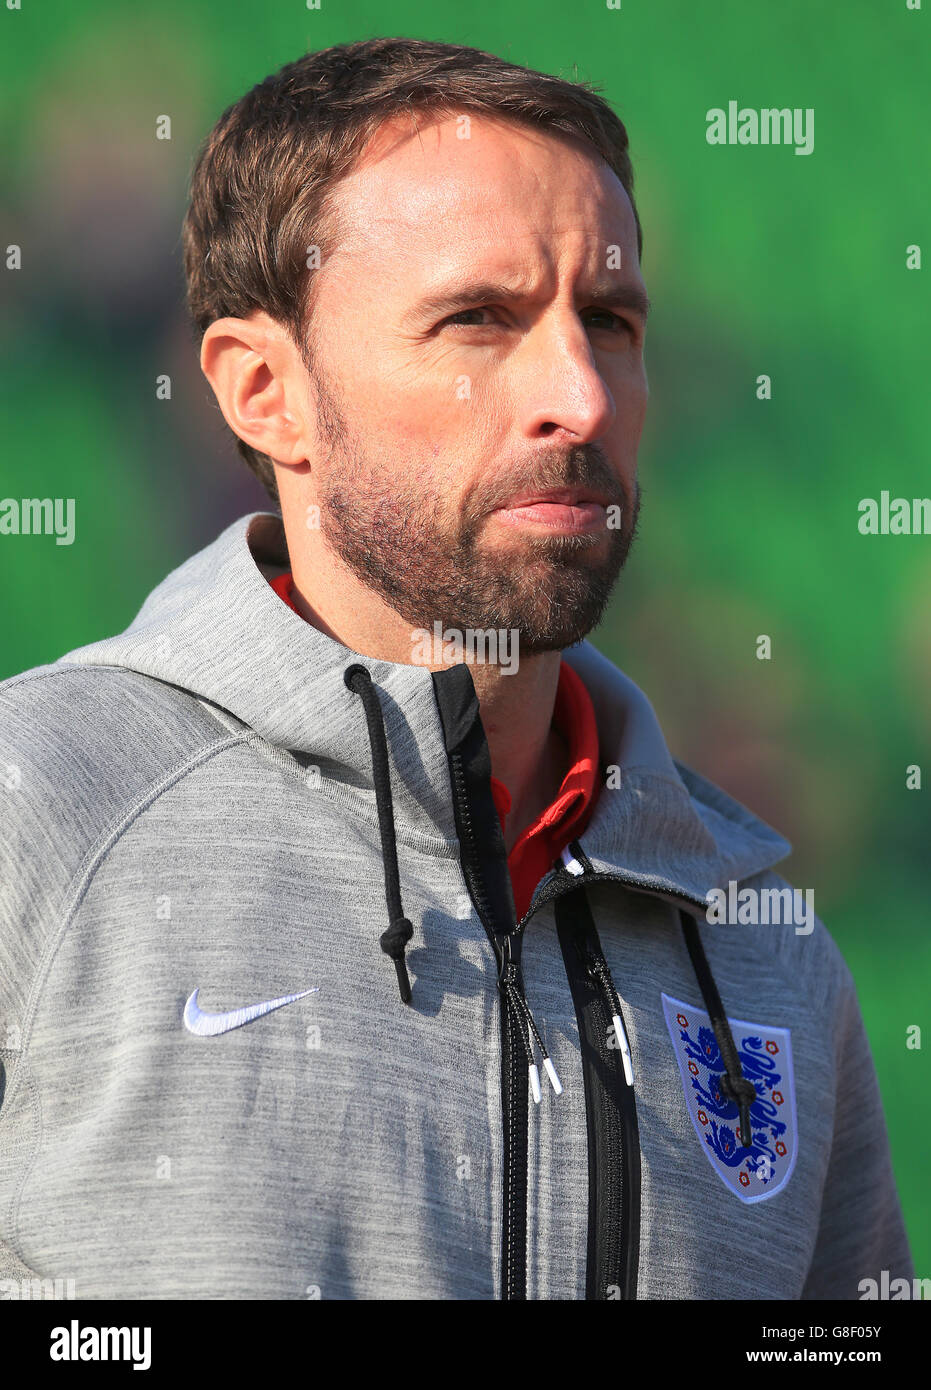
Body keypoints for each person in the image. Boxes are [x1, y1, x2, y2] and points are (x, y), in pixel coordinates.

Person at [0, 37, 913, 1301]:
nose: (580, 397)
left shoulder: (766, 948)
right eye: (476, 318)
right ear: (265, 392)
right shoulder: (36, 815)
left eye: (610, 320)